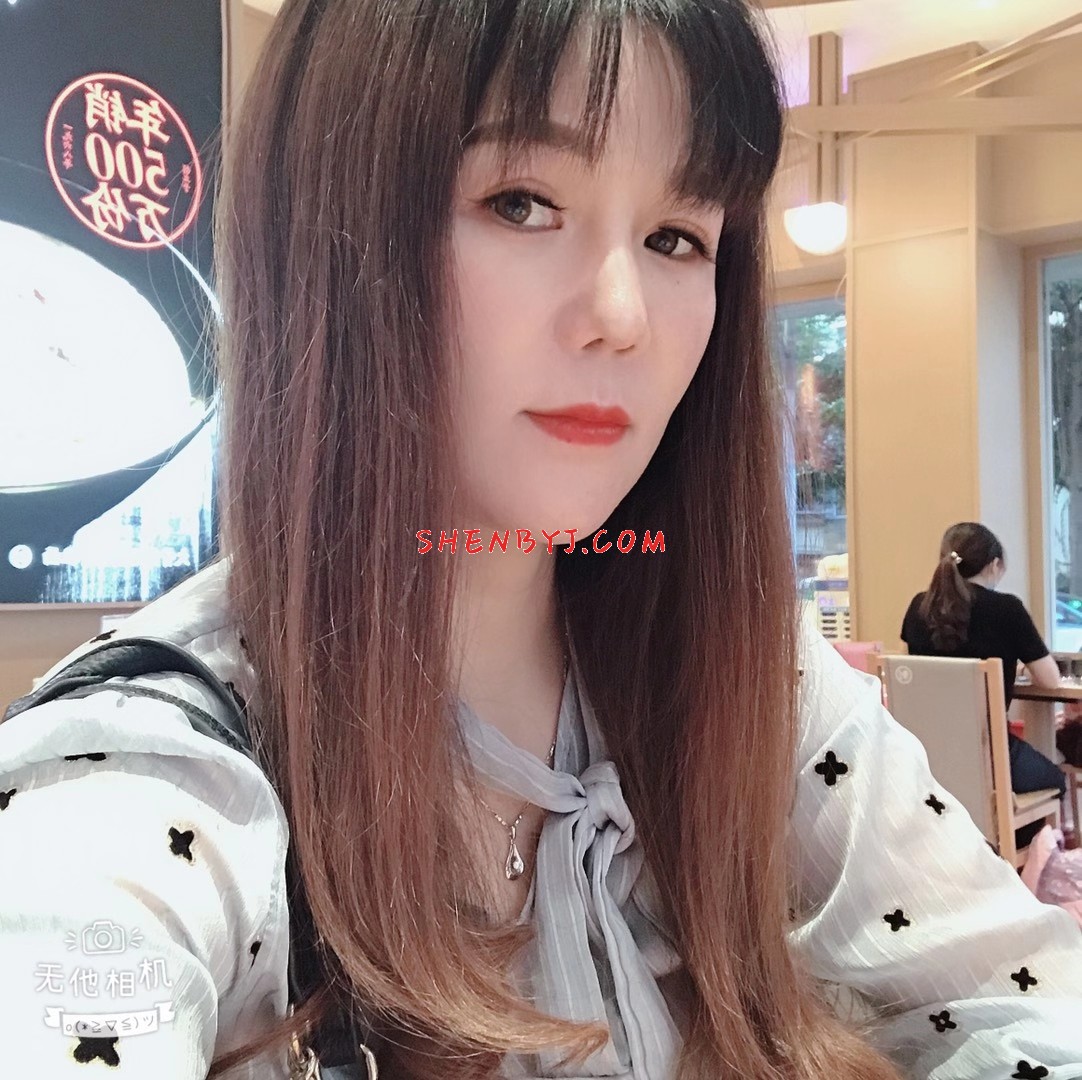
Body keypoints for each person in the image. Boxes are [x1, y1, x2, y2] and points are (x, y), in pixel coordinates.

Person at [2, 4, 1081, 1079]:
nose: (622, 313)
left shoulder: (750, 678)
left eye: (676, 237)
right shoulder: (152, 783)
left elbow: (1031, 1003)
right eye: (520, 203)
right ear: (329, 234)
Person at [901, 522, 1068, 825]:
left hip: (927, 758)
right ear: (994, 564)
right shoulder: (1006, 609)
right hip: (989, 756)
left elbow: (909, 673)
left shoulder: (918, 607)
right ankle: (1018, 848)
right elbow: (1050, 680)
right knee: (1055, 779)